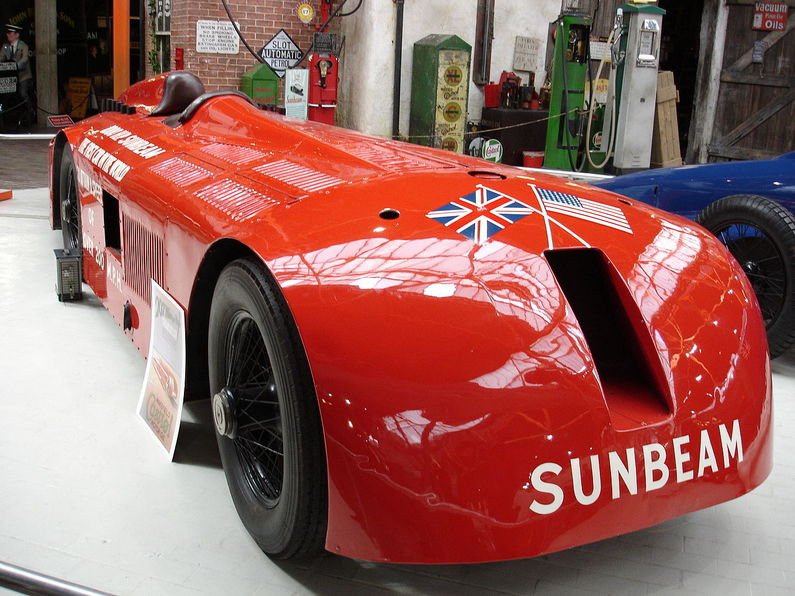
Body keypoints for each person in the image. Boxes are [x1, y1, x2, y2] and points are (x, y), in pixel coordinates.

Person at [1, 24, 34, 126]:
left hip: (23, 76)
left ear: (17, 35)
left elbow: (24, 60)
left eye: (10, 33)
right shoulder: (5, 46)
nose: (8, 35)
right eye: (7, 33)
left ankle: (30, 110)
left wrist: (14, 66)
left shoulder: (24, 46)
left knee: (22, 93)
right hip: (10, 78)